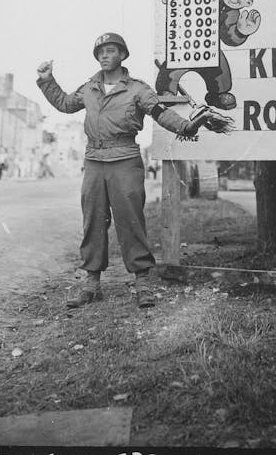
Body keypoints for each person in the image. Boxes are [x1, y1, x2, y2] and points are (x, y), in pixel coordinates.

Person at [36, 31, 220, 310]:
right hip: (95, 161)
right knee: (93, 220)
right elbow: (64, 103)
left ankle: (142, 283)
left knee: (130, 220)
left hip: (125, 159)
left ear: (122, 55)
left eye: (110, 51)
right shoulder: (90, 88)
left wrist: (186, 127)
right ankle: (92, 284)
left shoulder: (137, 89)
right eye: (100, 53)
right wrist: (48, 80)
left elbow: (160, 112)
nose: (104, 56)